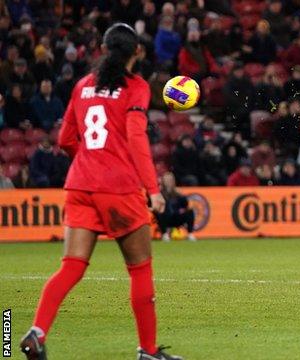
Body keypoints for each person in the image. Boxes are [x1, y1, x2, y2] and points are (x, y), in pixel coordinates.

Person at [19, 24, 182, 360]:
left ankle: (37, 332)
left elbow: (65, 139)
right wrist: (153, 189)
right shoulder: (135, 87)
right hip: (119, 188)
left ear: (105, 49)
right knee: (140, 269)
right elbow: (137, 139)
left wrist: (90, 161)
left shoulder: (82, 86)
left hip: (80, 185)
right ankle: (148, 352)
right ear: (136, 52)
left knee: (71, 266)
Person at [156, 172, 196, 242]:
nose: (168, 182)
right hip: (165, 217)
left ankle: (190, 234)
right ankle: (165, 234)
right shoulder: (160, 193)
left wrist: (181, 196)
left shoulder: (178, 193)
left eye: (169, 180)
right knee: (160, 211)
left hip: (177, 217)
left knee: (190, 211)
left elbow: (185, 205)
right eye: (166, 180)